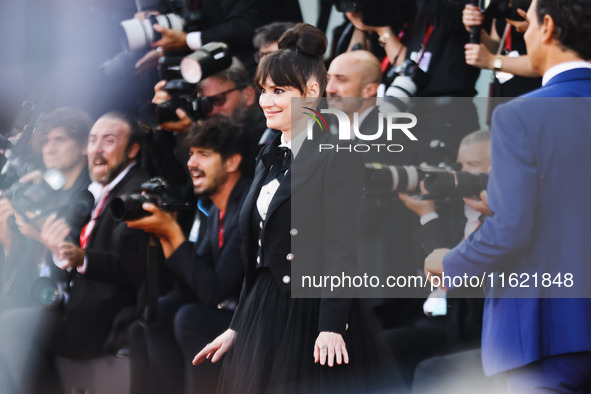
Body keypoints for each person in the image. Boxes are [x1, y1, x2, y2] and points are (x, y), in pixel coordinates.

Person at [193, 23, 402, 393]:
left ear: (312, 92)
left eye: (279, 91)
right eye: (263, 91)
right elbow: (255, 257)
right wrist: (237, 324)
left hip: (313, 312)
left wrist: (331, 326)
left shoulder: (337, 155)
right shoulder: (267, 156)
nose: (265, 101)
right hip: (263, 311)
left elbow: (340, 249)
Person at [424, 0, 591, 391]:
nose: (525, 34)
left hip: (543, 333)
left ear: (547, 26)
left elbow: (511, 228)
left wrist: (449, 262)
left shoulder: (519, 115)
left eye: (527, 25)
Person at [0, 112, 151, 394]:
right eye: (94, 140)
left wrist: (76, 256)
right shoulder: (95, 190)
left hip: (108, 316)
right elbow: (63, 258)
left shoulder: (137, 192)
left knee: (10, 325)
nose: (98, 148)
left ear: (132, 150)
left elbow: (132, 266)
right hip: (71, 305)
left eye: (108, 141)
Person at [125, 115, 250, 394]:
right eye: (191, 154)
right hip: (224, 311)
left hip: (256, 319)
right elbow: (192, 280)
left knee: (189, 318)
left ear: (232, 162)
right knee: (159, 311)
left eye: (203, 155)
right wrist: (164, 235)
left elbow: (214, 291)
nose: (191, 163)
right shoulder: (213, 209)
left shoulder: (246, 208)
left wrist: (174, 233)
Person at [0, 107, 92, 311]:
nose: (49, 149)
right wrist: (9, 240)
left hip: (65, 301)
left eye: (59, 140)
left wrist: (36, 230)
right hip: (27, 293)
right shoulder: (42, 190)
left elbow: (82, 260)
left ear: (84, 146)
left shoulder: (90, 196)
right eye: (45, 142)